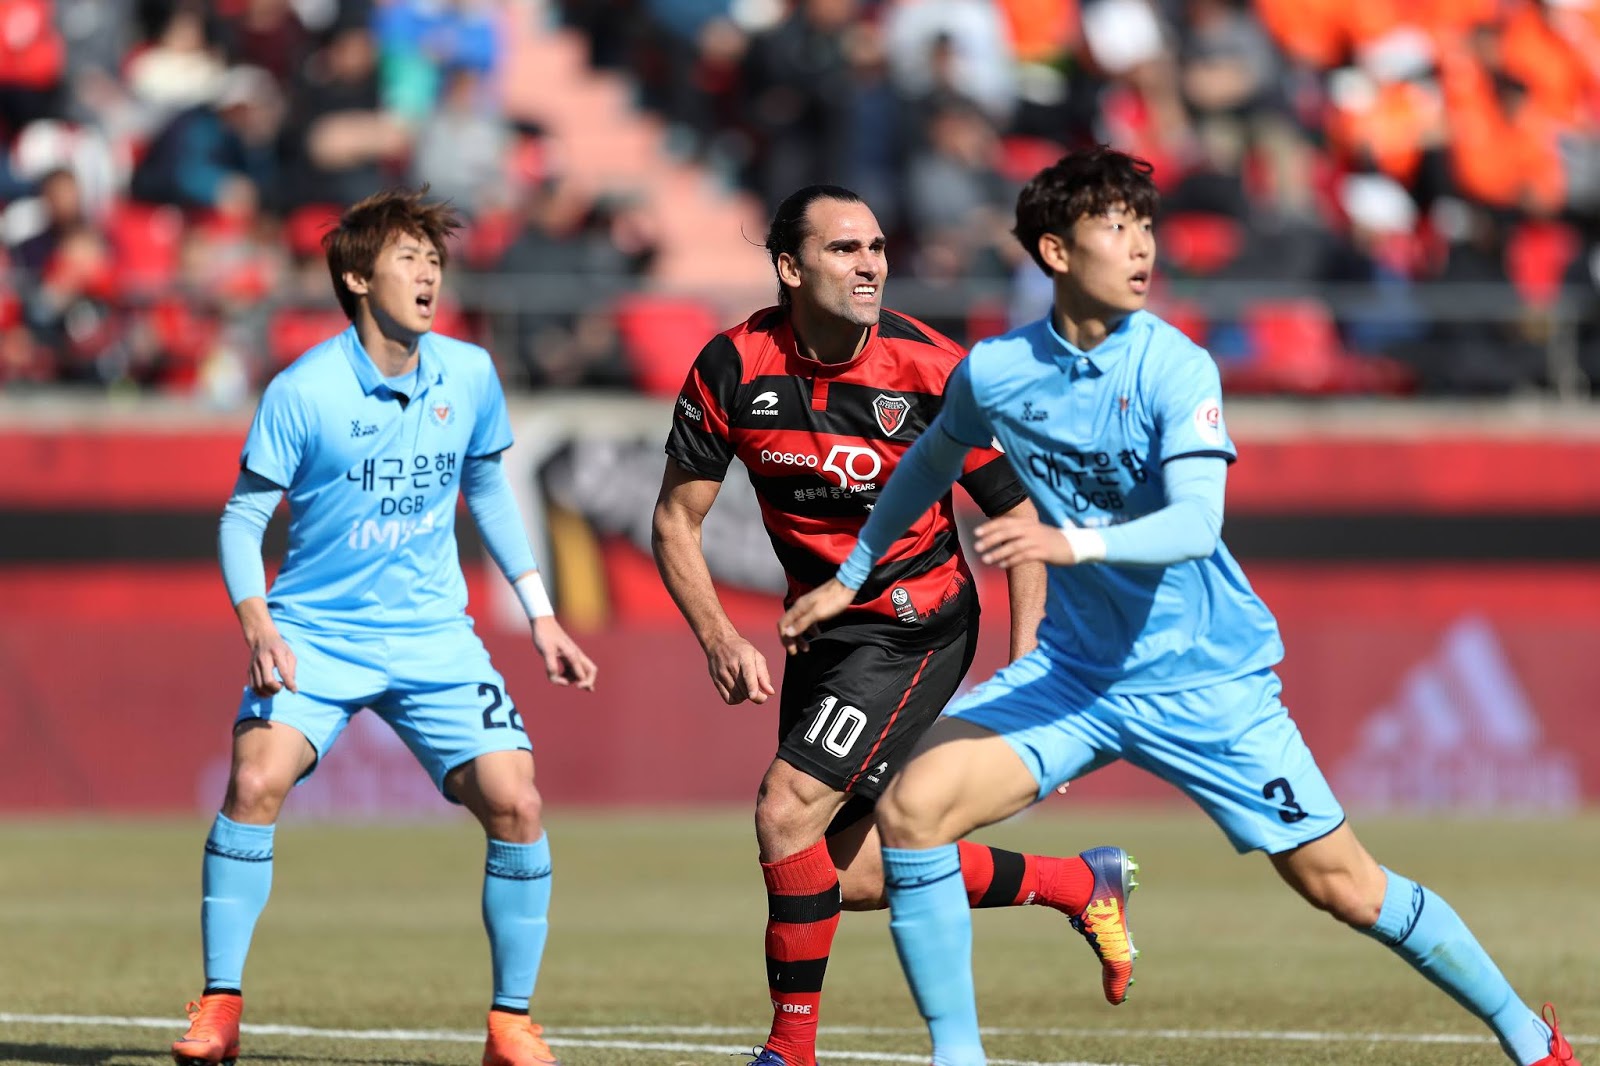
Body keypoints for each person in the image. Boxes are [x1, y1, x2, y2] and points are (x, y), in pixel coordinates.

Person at [778, 148, 1580, 1066]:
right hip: (1077, 677)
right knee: (913, 812)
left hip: (1206, 681)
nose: (1141, 247)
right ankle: (959, 1059)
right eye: (1115, 227)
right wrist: (854, 573)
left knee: (1343, 887)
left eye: (1145, 226)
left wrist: (1065, 542)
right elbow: (928, 459)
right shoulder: (997, 371)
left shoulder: (1175, 367)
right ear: (1053, 251)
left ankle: (1531, 1039)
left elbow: (1197, 524)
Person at [652, 184, 1140, 1066]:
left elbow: (1018, 519)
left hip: (916, 625)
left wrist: (1027, 664)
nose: (870, 263)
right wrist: (719, 635)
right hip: (821, 633)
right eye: (844, 250)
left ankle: (787, 1053)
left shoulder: (933, 368)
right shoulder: (732, 365)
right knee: (846, 874)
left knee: (785, 810)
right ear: (791, 268)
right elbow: (674, 520)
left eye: (876, 247)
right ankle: (1078, 883)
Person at [171, 188, 597, 1066]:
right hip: (316, 635)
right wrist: (257, 621)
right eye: (409, 257)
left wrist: (540, 613)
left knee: (517, 803)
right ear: (358, 278)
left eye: (434, 258)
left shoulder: (470, 373)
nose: (429, 271)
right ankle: (218, 1009)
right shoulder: (303, 391)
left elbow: (485, 487)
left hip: (436, 637)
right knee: (254, 785)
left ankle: (510, 1024)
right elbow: (242, 521)